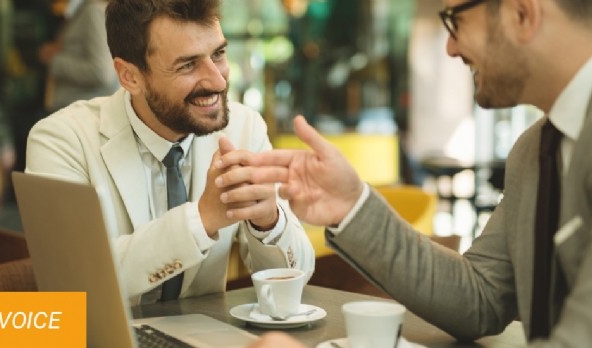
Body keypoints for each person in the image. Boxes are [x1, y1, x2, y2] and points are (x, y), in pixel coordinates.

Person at [217, 0, 592, 346]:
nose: (450, 48)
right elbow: (480, 298)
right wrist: (351, 206)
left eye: (455, 20)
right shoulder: (535, 149)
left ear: (521, 14)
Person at [25, 0, 315, 305]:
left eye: (218, 54)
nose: (218, 80)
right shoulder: (61, 140)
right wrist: (201, 220)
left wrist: (268, 221)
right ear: (129, 77)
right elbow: (72, 281)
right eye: (188, 65)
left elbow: (295, 279)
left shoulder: (243, 128)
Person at [37, 0, 119, 113]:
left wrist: (54, 61)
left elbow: (101, 72)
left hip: (84, 115)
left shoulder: (93, 11)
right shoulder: (81, 10)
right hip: (78, 113)